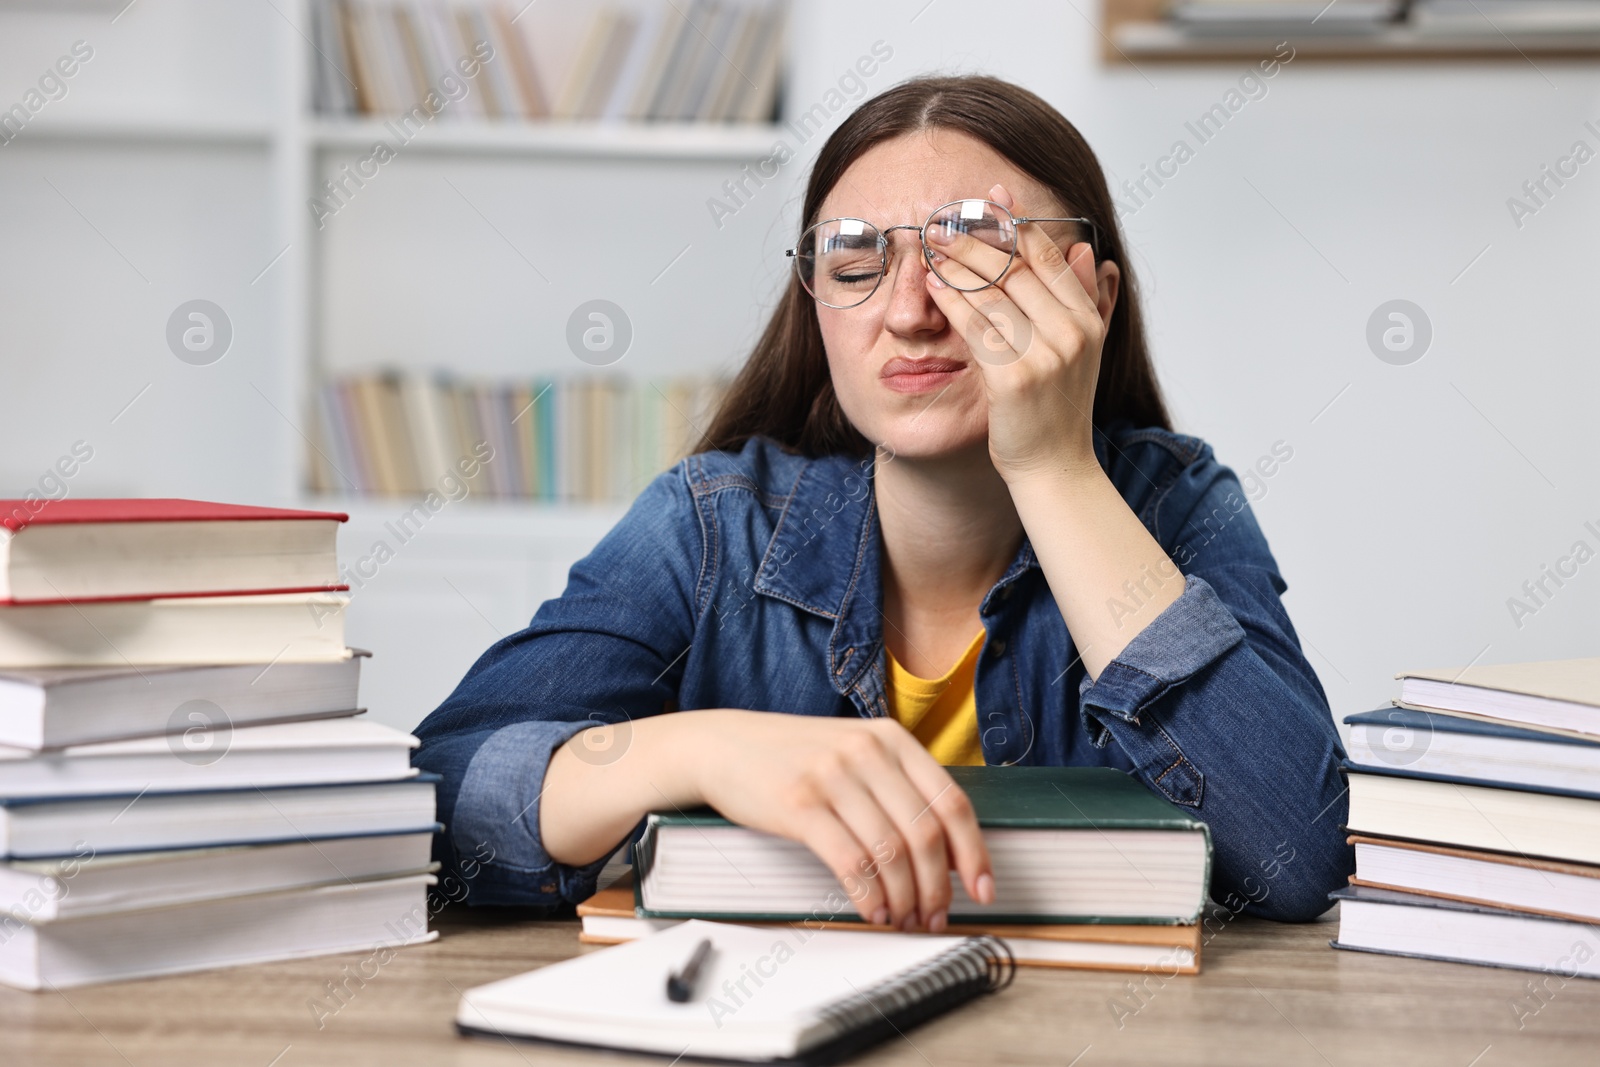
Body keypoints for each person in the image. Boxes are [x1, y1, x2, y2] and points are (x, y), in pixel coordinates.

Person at [412, 73, 1352, 929]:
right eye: (856, 265)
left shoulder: (1180, 506)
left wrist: (1055, 465)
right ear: (815, 303)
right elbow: (434, 803)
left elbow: (1302, 853)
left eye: (976, 255)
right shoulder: (711, 527)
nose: (910, 310)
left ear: (1093, 300)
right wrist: (706, 752)